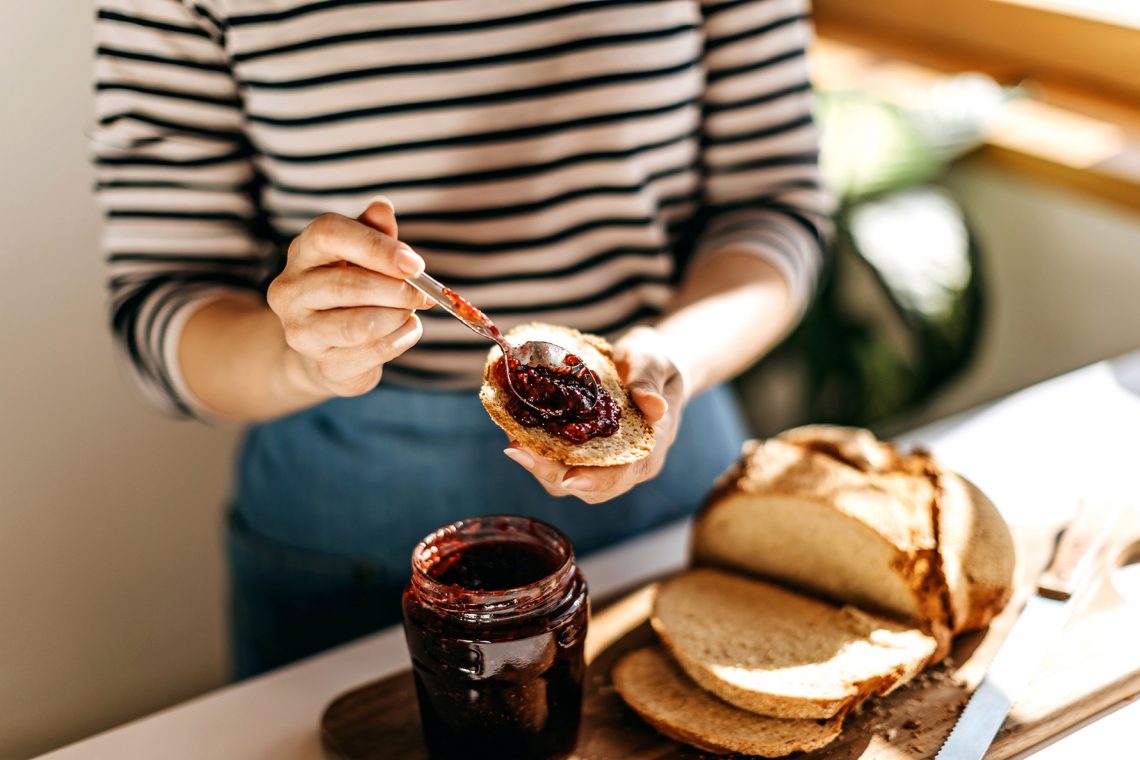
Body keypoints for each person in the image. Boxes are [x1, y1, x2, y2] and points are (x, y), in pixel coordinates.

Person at [93, 0, 829, 678]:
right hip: (350, 537)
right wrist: (300, 357)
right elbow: (164, 301)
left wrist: (678, 357)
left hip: (663, 486)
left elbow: (772, 203)